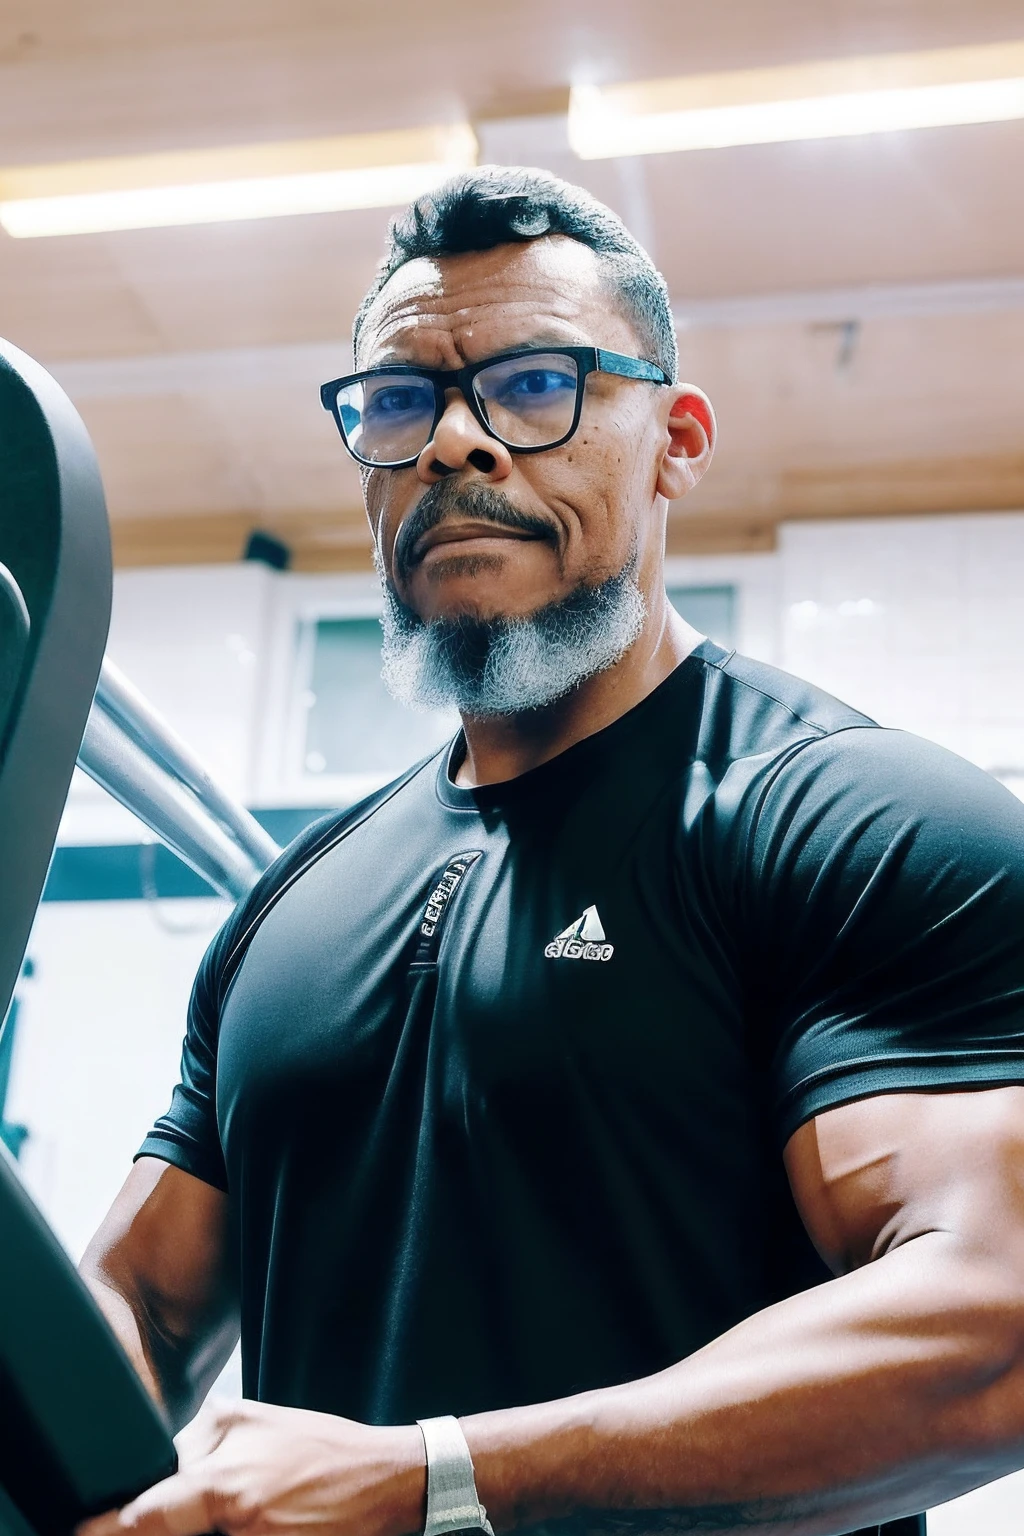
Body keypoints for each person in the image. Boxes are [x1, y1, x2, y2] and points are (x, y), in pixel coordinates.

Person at [78, 167, 1024, 1536]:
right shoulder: (291, 907)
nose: (458, 443)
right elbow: (137, 1302)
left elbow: (989, 1326)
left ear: (678, 440)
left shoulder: (848, 823)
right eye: (401, 404)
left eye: (538, 386)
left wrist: (436, 1483)